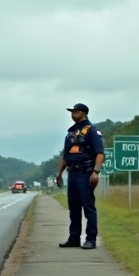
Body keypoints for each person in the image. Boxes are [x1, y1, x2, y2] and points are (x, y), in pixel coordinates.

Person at [55, 103, 105, 250]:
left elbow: (100, 153)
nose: (73, 114)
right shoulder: (71, 133)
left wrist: (95, 172)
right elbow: (66, 155)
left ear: (84, 113)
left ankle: (91, 239)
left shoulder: (92, 131)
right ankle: (74, 238)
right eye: (72, 112)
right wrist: (59, 173)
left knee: (88, 207)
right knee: (74, 208)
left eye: (76, 112)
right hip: (73, 174)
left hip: (86, 173)